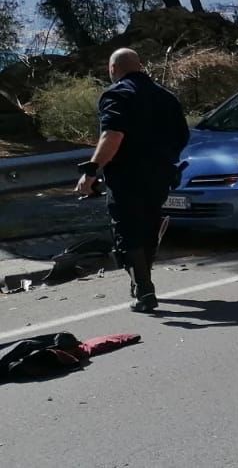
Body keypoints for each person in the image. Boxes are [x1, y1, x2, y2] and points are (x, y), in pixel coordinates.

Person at [74, 49, 189, 313]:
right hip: (161, 172)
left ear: (113, 68)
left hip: (127, 174)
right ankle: (142, 282)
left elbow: (113, 135)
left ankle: (144, 289)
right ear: (140, 66)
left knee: (126, 228)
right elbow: (182, 136)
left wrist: (92, 170)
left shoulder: (116, 94)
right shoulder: (166, 96)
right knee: (149, 225)